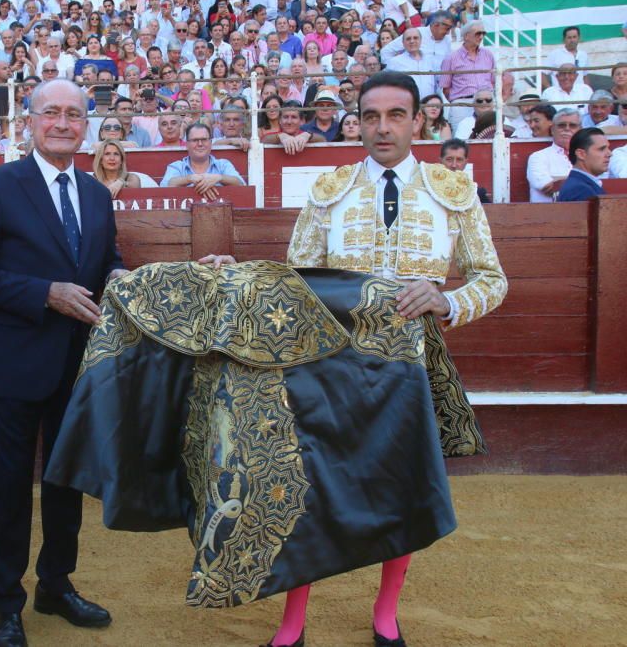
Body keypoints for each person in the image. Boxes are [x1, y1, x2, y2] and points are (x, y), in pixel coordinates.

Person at [201, 71, 507, 646]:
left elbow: (493, 279)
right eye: (371, 116)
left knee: (403, 490)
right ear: (358, 122)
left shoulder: (454, 190)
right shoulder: (330, 188)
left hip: (406, 368)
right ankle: (293, 623)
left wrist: (449, 299)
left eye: (396, 115)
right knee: (313, 485)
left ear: (420, 121)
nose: (383, 127)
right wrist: (236, 276)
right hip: (328, 366)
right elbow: (295, 280)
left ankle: (385, 614)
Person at [0, 78, 127, 647]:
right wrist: (43, 293)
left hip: (78, 365)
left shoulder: (97, 194)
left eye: (74, 114)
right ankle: (6, 602)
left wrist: (118, 277)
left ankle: (56, 584)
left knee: (65, 482)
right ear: (29, 121)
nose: (63, 122)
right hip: (14, 361)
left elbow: (106, 259)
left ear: (87, 124)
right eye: (51, 112)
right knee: (8, 488)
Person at [161, 123, 246, 199]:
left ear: (210, 142)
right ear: (187, 145)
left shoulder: (223, 164)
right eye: (195, 140)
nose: (200, 144)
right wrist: (189, 179)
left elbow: (241, 184)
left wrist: (218, 178)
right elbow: (164, 187)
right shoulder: (176, 166)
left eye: (204, 139)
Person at [527, 108, 580, 202]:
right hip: (548, 215)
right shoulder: (538, 157)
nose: (567, 129)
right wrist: (584, 182)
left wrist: (558, 181)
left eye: (572, 126)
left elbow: (600, 184)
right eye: (561, 125)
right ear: (552, 130)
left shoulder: (587, 156)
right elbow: (548, 187)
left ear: (580, 130)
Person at [557, 128, 610, 201]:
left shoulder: (579, 185)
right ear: (581, 154)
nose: (610, 154)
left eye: (608, 148)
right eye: (601, 149)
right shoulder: (580, 189)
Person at [441, 138, 491, 204]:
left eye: (459, 160)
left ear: (466, 162)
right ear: (441, 161)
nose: (454, 165)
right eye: (449, 159)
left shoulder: (476, 193)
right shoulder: (431, 189)